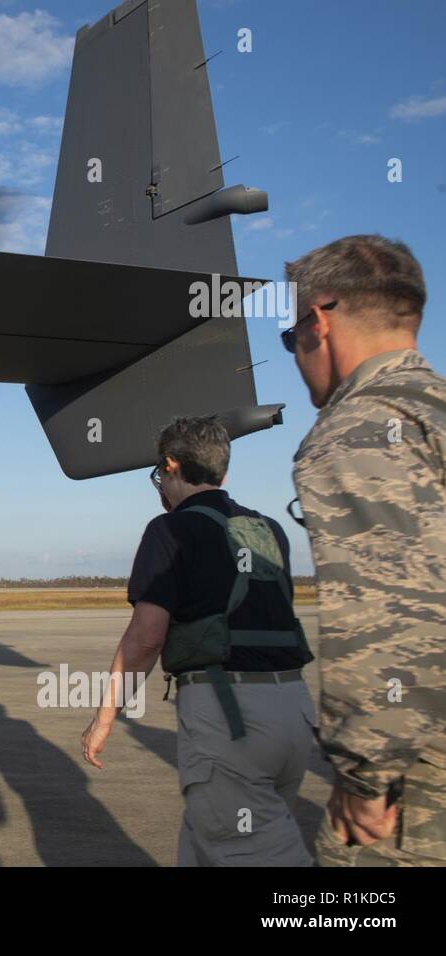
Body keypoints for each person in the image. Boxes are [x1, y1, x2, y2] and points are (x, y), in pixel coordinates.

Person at [81, 416, 315, 866]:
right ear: (221, 471)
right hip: (293, 709)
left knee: (247, 852)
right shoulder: (269, 528)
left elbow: (146, 640)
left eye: (158, 474)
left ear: (171, 466)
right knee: (206, 844)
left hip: (231, 716)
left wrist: (105, 717)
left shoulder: (170, 530)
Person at [284, 234, 446, 865]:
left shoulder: (360, 427)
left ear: (319, 321)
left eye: (291, 337)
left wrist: (368, 774)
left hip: (418, 781)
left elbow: (386, 612)